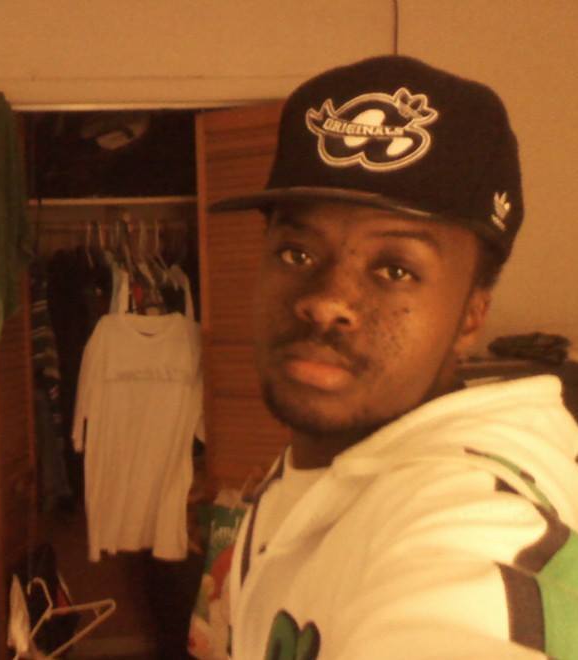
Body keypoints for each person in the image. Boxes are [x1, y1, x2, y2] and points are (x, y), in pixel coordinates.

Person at [210, 55, 578, 659]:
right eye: (298, 253)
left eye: (396, 269)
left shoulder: (471, 516)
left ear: (471, 315)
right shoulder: (302, 471)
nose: (327, 302)